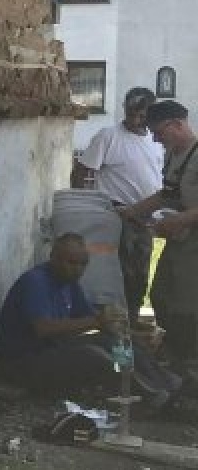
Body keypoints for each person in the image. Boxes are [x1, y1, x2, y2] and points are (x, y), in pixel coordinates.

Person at [0, 234, 124, 400]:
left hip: (50, 350)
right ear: (53, 258)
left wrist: (122, 331)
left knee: (117, 345)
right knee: (93, 357)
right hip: (21, 361)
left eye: (83, 264)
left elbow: (92, 316)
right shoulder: (36, 282)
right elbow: (43, 329)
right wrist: (96, 322)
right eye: (72, 263)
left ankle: (155, 389)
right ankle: (136, 396)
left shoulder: (69, 283)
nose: (78, 269)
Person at [123, 100, 198, 371]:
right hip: (178, 238)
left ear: (178, 124)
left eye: (159, 133)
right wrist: (133, 211)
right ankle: (175, 357)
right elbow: (166, 194)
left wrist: (178, 221)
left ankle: (188, 364)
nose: (156, 139)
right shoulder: (173, 155)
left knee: (187, 305)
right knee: (159, 295)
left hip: (192, 241)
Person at [74, 87, 162, 313]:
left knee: (141, 270)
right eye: (130, 113)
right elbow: (82, 171)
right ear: (124, 108)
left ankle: (132, 316)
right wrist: (88, 205)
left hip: (145, 216)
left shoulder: (156, 139)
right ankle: (113, 318)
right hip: (117, 215)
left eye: (141, 115)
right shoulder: (108, 136)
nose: (135, 120)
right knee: (119, 270)